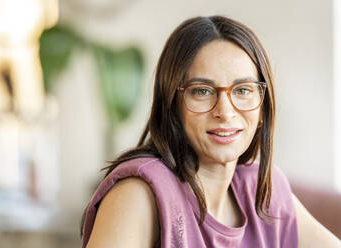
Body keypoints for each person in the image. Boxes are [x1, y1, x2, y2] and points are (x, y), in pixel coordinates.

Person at [81, 15, 341, 248]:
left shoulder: (266, 194)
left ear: (262, 108)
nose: (225, 112)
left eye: (243, 90)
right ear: (172, 105)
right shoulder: (138, 197)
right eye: (202, 91)